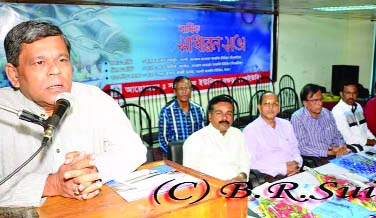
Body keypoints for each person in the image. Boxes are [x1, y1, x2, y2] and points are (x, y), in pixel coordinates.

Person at [0, 20, 147, 207]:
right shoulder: (3, 111)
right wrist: (51, 184)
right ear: (14, 75)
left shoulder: (93, 97)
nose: (55, 70)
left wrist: (91, 170)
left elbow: (134, 150)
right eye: (40, 62)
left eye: (62, 60)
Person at [183, 95, 250, 181]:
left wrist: (241, 176)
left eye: (229, 113)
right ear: (210, 116)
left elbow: (245, 160)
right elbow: (190, 175)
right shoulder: (195, 140)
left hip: (238, 186)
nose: (225, 118)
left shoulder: (237, 134)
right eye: (219, 113)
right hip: (210, 189)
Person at [243, 93, 302, 182]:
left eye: (275, 104)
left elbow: (295, 148)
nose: (271, 107)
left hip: (295, 171)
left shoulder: (286, 124)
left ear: (278, 108)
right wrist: (282, 168)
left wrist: (297, 163)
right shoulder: (250, 130)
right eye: (267, 104)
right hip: (270, 176)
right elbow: (251, 163)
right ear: (259, 107)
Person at [291, 84, 349, 166]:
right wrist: (328, 153)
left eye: (321, 99)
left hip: (337, 155)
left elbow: (337, 135)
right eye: (315, 101)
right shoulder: (298, 118)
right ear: (305, 103)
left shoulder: (327, 113)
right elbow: (302, 148)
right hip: (318, 159)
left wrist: (341, 147)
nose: (320, 103)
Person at [158, 76, 205, 155]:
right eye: (181, 89)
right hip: (176, 155)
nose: (184, 92)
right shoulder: (166, 111)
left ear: (191, 90)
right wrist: (173, 154)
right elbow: (163, 140)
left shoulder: (199, 110)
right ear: (175, 92)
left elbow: (203, 135)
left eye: (187, 88)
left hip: (196, 153)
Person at [332, 80, 376, 146]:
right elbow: (348, 138)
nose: (351, 96)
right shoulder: (337, 111)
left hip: (364, 144)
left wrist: (374, 140)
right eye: (348, 93)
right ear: (341, 94)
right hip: (350, 146)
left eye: (354, 93)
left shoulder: (358, 106)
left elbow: (364, 128)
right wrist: (370, 142)